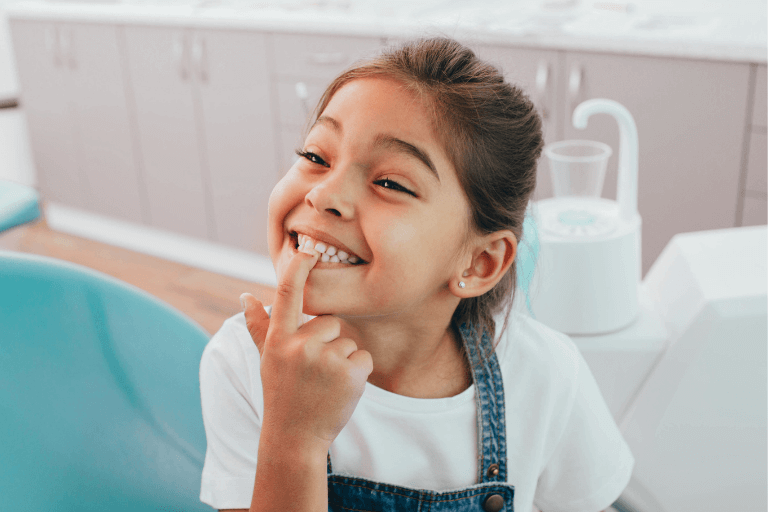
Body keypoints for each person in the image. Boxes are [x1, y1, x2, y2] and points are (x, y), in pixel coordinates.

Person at [198, 36, 634, 512]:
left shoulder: (547, 377)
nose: (324, 194)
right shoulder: (244, 362)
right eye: (316, 156)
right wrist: (293, 436)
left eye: (389, 182)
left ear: (479, 262)